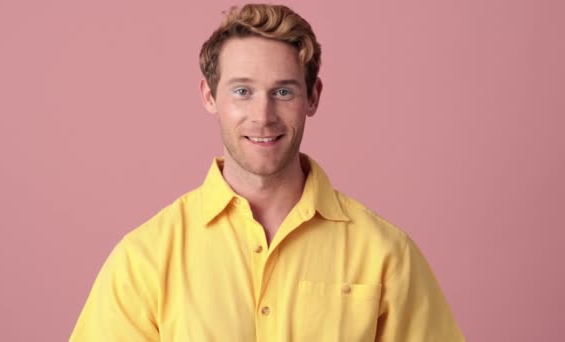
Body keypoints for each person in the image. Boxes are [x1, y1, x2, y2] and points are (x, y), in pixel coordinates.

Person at [70, 4, 465, 341]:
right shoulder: (145, 259)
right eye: (242, 91)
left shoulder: (386, 254)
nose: (263, 116)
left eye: (283, 92)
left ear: (313, 97)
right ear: (210, 97)